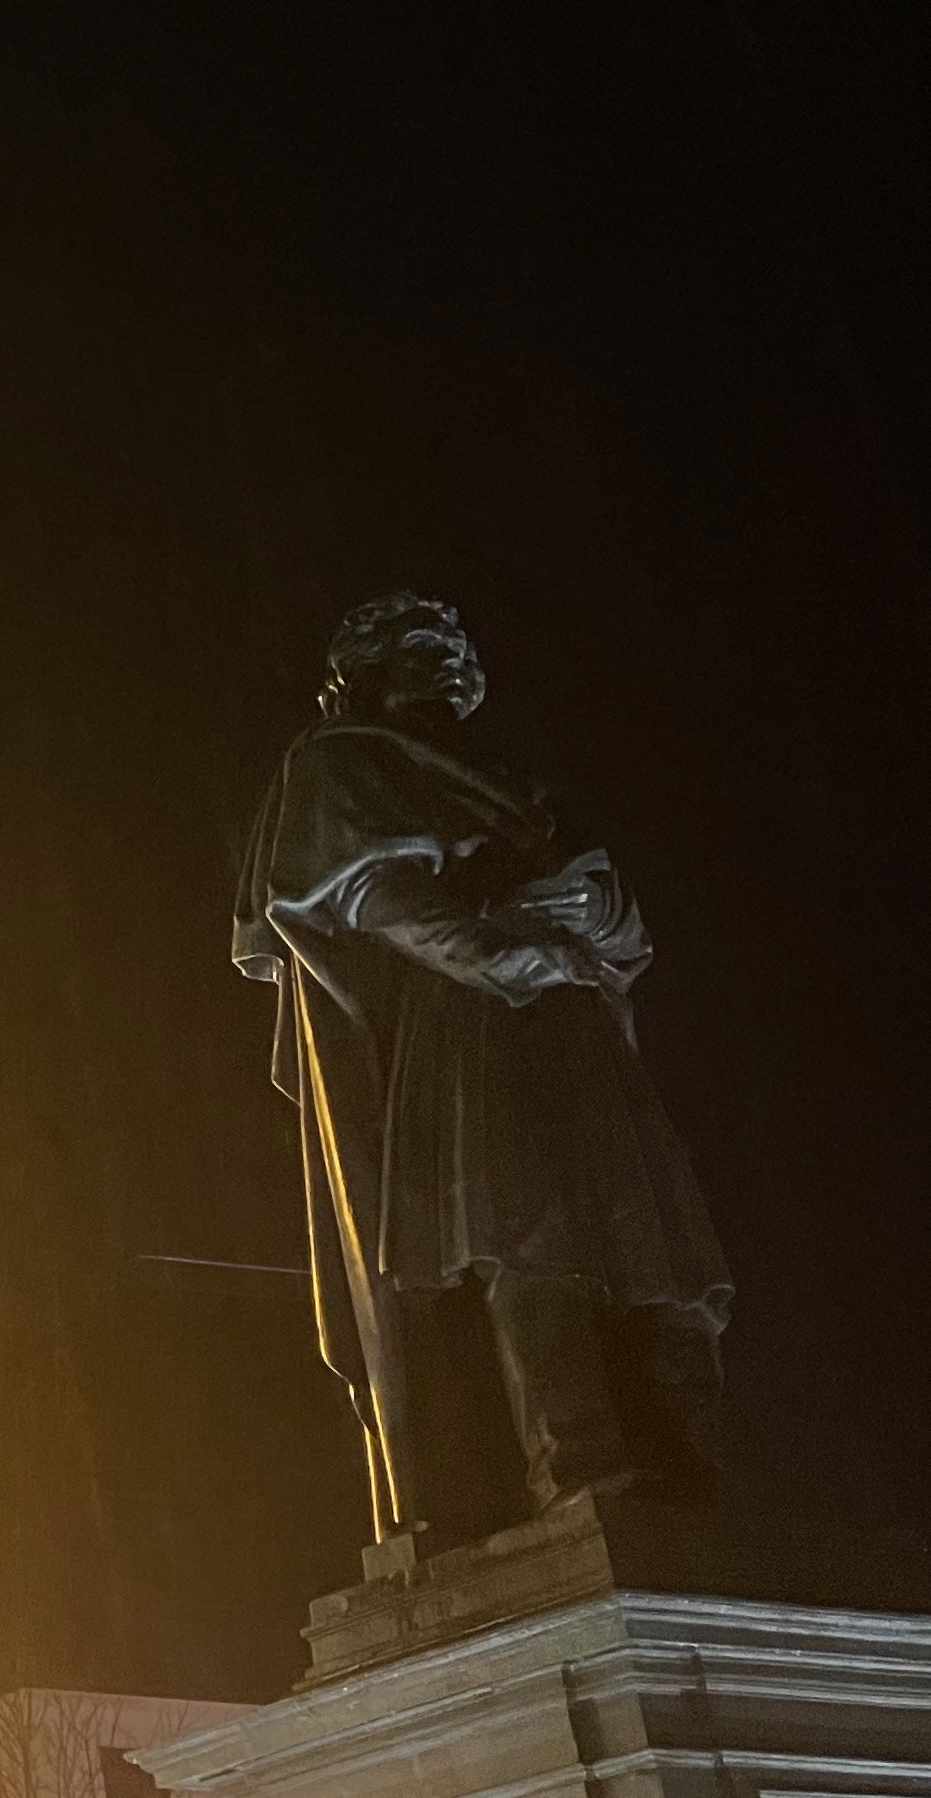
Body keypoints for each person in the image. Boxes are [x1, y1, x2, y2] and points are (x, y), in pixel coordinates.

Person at [236, 594, 730, 1548]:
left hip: (575, 1022)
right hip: (465, 1027)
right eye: (426, 646)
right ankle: (575, 1464)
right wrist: (507, 951)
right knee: (523, 1233)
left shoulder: (516, 781)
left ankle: (700, 1467)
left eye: (462, 649)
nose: (454, 663)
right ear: (367, 669)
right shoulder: (339, 762)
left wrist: (597, 911)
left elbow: (625, 926)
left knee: (655, 1253)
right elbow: (374, 894)